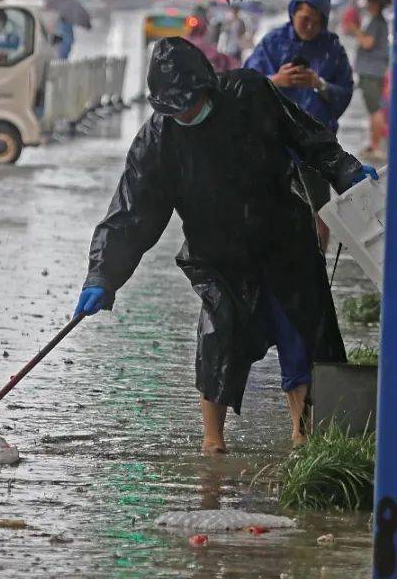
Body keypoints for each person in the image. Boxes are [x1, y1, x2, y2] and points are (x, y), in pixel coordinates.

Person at [73, 37, 376, 451]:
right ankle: (212, 446)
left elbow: (308, 137)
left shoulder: (250, 94)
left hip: (283, 241)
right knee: (219, 340)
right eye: (172, 108)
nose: (183, 113)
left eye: (189, 103)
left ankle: (305, 439)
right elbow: (131, 214)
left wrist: (347, 171)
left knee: (302, 335)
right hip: (218, 255)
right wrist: (103, 275)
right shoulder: (157, 142)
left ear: (207, 87)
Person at [244, 0, 355, 248]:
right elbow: (245, 83)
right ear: (293, 14)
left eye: (316, 22)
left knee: (319, 208)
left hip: (315, 145)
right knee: (271, 206)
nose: (309, 27)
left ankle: (317, 264)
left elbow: (345, 91)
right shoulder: (273, 42)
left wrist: (319, 84)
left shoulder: (332, 49)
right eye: (305, 19)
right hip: (274, 140)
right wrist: (276, 80)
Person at [354, 0, 391, 159]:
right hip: (372, 71)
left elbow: (367, 43)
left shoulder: (377, 22)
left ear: (377, 4)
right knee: (373, 109)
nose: (368, 5)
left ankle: (376, 146)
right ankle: (373, 144)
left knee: (375, 109)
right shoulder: (376, 21)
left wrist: (354, 29)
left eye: (370, 2)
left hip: (372, 72)